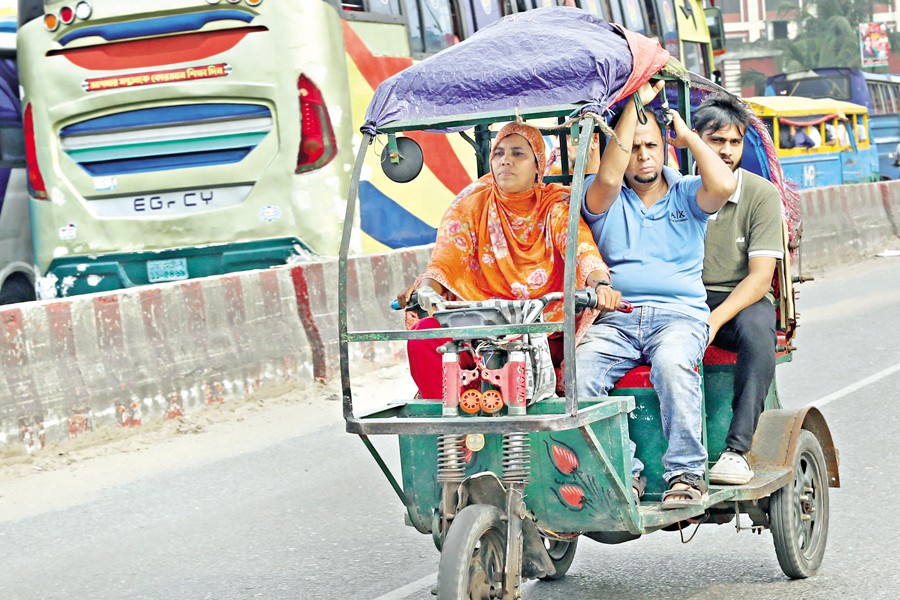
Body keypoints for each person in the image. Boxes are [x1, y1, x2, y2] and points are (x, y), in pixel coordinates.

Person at [576, 81, 736, 508]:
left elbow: (721, 185)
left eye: (652, 146)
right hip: (616, 319)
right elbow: (608, 175)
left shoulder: (687, 191)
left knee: (671, 363)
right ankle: (621, 474)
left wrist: (687, 138)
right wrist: (633, 105)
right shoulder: (604, 196)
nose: (643, 155)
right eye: (633, 147)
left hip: (679, 317)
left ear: (665, 149)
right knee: (580, 371)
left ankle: (686, 474)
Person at [397, 121, 621, 402]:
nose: (506, 161)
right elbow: (445, 261)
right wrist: (426, 290)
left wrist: (600, 285)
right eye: (499, 153)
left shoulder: (554, 205)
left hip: (540, 331)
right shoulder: (471, 203)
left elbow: (580, 246)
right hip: (479, 327)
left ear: (538, 165)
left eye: (518, 154)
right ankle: (451, 432)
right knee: (424, 334)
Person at [693, 93, 785, 485]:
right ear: (696, 141)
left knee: (756, 332)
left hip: (742, 297)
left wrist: (714, 320)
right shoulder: (678, 190)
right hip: (686, 299)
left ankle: (736, 449)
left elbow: (760, 278)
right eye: (717, 141)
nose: (727, 151)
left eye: (735, 142)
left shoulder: (760, 194)